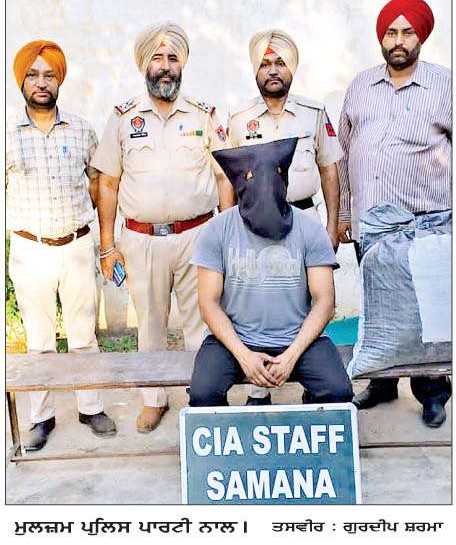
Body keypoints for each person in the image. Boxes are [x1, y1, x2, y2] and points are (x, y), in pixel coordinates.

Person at [92, 22, 235, 433]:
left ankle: (203, 396)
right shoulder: (123, 117)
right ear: (144, 65)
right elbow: (108, 183)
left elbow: (224, 177)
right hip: (141, 240)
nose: (166, 66)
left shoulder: (204, 114)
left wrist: (226, 233)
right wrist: (108, 245)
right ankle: (154, 400)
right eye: (158, 58)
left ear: (182, 64)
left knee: (202, 323)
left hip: (199, 237)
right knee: (150, 325)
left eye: (173, 58)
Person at [337, 0, 452, 427]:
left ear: (420, 36)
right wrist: (344, 214)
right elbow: (343, 153)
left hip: (427, 224)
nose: (398, 41)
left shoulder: (444, 85)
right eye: (390, 33)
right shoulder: (361, 85)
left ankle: (433, 393)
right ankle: (382, 384)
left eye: (407, 32)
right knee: (378, 308)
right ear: (381, 38)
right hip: (372, 227)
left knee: (427, 314)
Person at [6, 40, 117, 451]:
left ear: (59, 81)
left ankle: (90, 407)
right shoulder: (7, 134)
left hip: (75, 245)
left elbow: (98, 183)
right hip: (30, 249)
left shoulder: (82, 129)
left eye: (48, 75)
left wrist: (100, 238)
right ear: (22, 82)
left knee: (83, 334)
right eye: (33, 75)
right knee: (39, 340)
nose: (41, 82)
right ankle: (41, 417)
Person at [188, 138, 353, 407]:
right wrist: (244, 355)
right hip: (236, 338)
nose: (265, 187)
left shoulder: (310, 229)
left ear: (284, 180)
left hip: (297, 337)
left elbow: (325, 301)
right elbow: (208, 303)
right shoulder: (217, 230)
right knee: (203, 394)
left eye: (273, 175)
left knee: (337, 391)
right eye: (254, 178)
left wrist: (290, 356)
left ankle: (310, 411)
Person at [227, 28, 342, 405]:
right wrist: (229, 232)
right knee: (260, 307)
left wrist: (331, 226)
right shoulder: (240, 119)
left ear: (292, 68)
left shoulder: (313, 113)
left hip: (305, 224)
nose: (273, 70)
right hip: (254, 228)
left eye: (280, 63)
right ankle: (258, 390)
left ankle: (314, 385)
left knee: (310, 304)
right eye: (265, 64)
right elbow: (228, 179)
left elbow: (329, 169)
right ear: (255, 71)